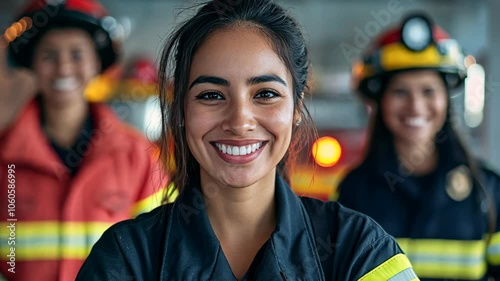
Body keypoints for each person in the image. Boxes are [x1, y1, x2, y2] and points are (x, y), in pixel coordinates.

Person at [76, 1, 419, 280]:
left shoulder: (360, 251)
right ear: (180, 110)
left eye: (265, 93)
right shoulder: (125, 259)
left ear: (297, 107)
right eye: (211, 95)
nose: (240, 121)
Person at [0, 0, 166, 280]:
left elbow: (162, 247)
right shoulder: (4, 158)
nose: (63, 67)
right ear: (31, 64)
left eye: (77, 54)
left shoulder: (139, 155)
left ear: (96, 64)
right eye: (49, 55)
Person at [337, 12, 500, 281]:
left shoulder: (490, 191)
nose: (416, 106)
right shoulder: (354, 191)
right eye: (400, 92)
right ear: (381, 103)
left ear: (446, 100)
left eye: (428, 91)